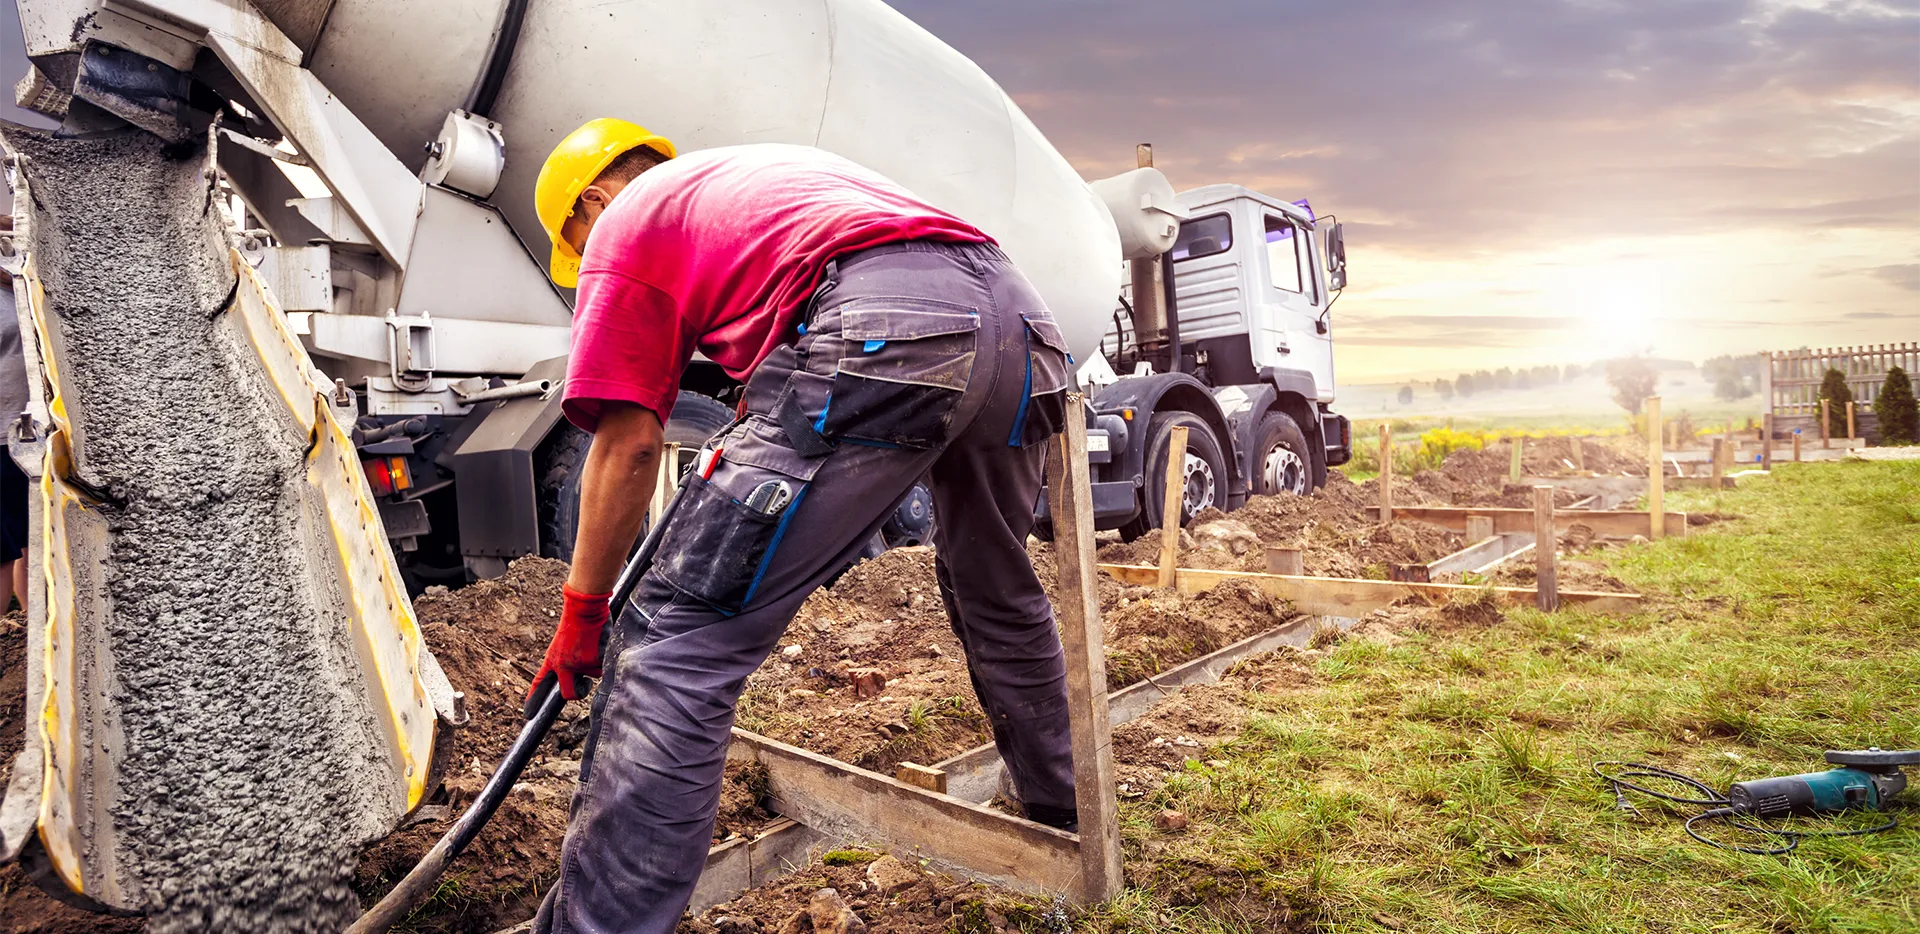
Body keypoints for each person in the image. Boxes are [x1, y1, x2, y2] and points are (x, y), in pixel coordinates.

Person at [527, 119, 1078, 933]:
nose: (587, 262)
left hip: (886, 328)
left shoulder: (628, 219)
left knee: (677, 641)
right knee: (997, 585)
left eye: (577, 243)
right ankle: (1060, 811)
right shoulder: (759, 178)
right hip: (1026, 332)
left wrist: (584, 613)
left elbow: (629, 439)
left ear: (596, 201)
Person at [0, 212, 29, 613]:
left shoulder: (20, 288)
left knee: (31, 541)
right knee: (2, 548)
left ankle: (30, 624)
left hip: (30, 430)